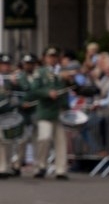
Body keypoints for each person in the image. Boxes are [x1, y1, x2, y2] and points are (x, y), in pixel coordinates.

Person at [29, 46, 70, 179]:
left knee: (61, 141)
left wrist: (69, 80)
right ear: (45, 58)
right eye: (50, 57)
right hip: (45, 110)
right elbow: (34, 89)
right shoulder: (40, 72)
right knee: (44, 138)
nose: (52, 59)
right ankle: (41, 165)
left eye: (55, 57)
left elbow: (69, 89)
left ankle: (61, 169)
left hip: (59, 110)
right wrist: (47, 93)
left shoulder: (63, 72)